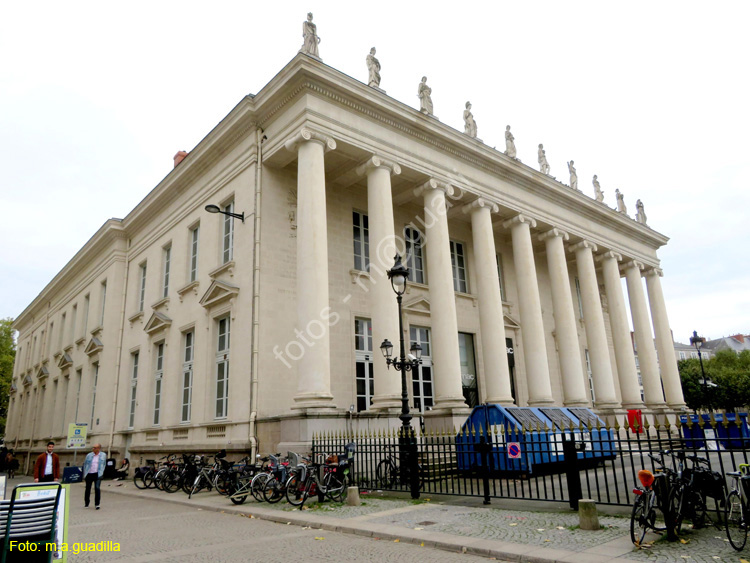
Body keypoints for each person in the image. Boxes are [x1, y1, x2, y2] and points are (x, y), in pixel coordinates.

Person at [83, 443, 107, 509]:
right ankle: (86, 503)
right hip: (89, 473)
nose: (93, 449)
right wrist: (85, 473)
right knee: (88, 488)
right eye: (93, 447)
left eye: (95, 448)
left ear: (98, 449)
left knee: (97, 488)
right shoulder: (89, 455)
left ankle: (97, 504)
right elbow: (85, 464)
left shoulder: (103, 455)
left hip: (97, 473)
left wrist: (102, 472)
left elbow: (104, 464)